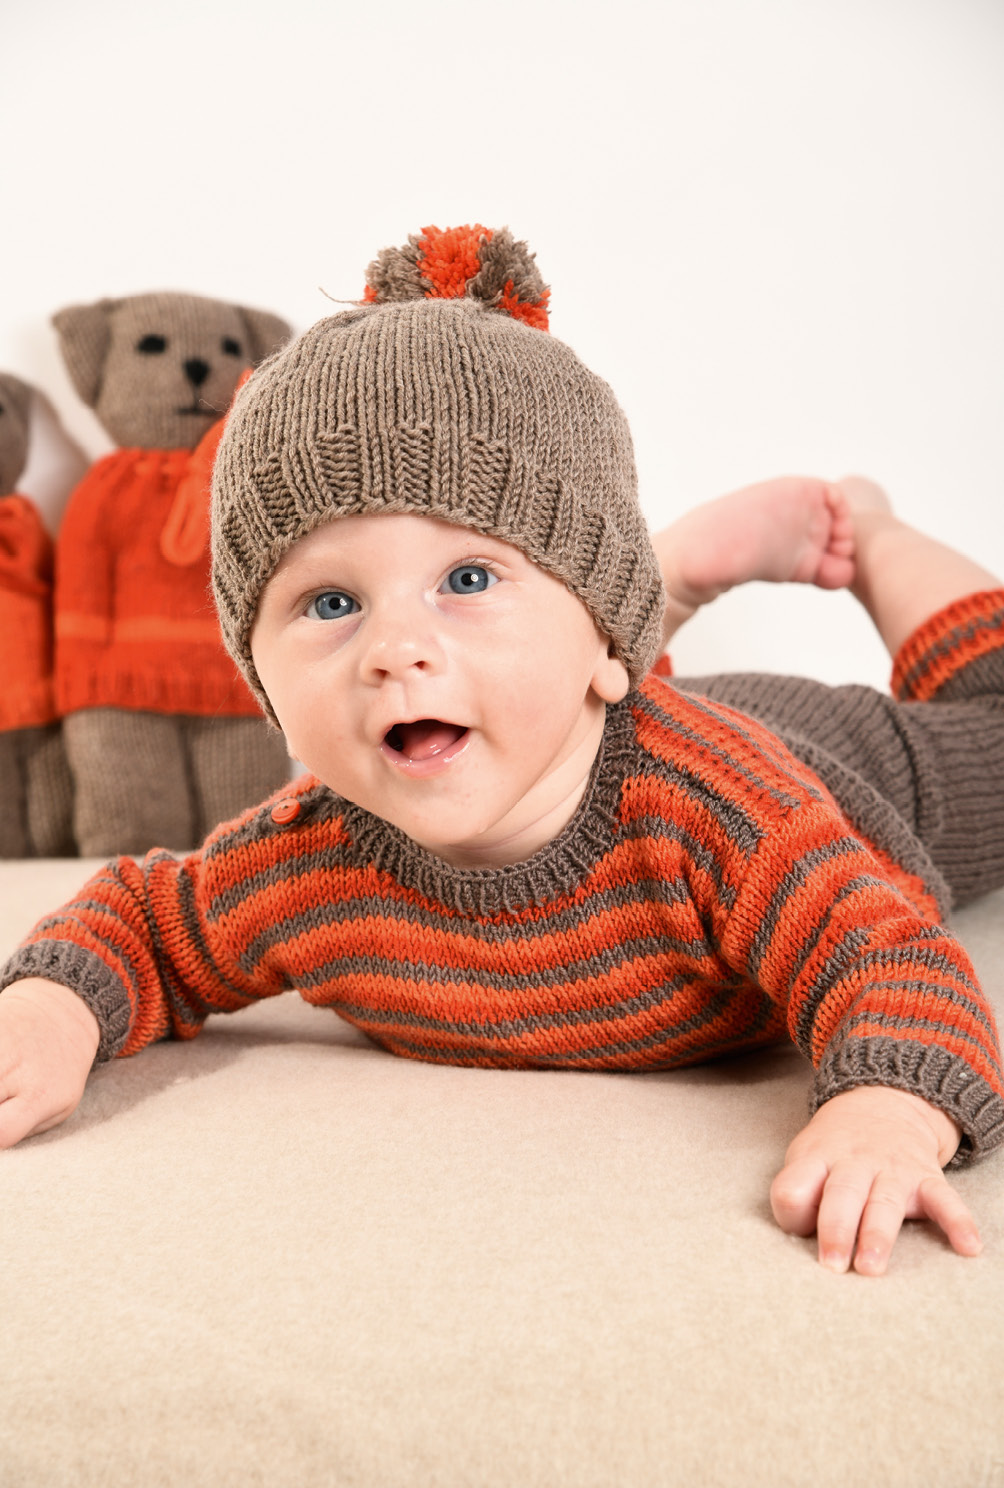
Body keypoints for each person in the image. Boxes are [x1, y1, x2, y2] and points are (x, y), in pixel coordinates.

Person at [1, 225, 1002, 1280]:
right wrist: (53, 1004)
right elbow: (148, 924)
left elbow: (886, 956)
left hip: (829, 762)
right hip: (589, 700)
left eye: (466, 578)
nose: (393, 652)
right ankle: (636, 591)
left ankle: (843, 540)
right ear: (260, 684)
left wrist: (886, 1107)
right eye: (328, 602)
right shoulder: (301, 863)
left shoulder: (726, 814)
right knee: (517, 693)